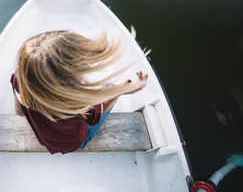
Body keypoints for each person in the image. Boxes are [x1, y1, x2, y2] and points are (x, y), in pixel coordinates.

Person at [10, 29, 148, 154]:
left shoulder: (18, 79)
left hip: (44, 139)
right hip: (73, 144)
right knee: (110, 87)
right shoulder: (74, 104)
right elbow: (97, 115)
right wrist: (122, 90)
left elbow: (19, 112)